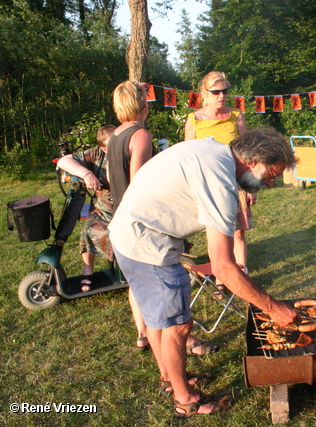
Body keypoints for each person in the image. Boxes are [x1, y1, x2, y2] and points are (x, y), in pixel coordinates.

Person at [108, 128, 300, 417]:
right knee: (178, 326)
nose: (272, 183)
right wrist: (273, 309)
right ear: (254, 160)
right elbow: (223, 265)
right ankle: (186, 400)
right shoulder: (220, 183)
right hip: (146, 245)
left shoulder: (215, 150)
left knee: (160, 322)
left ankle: (171, 380)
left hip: (129, 234)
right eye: (273, 173)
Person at [108, 81, 216, 356]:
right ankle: (183, 339)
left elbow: (113, 178)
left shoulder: (115, 135)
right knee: (162, 282)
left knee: (139, 283)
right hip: (143, 220)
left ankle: (143, 334)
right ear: (141, 103)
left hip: (120, 213)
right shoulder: (139, 134)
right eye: (145, 97)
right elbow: (141, 180)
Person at [184, 71, 252, 268]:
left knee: (238, 232)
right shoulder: (194, 119)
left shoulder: (236, 116)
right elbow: (188, 156)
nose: (221, 96)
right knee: (216, 233)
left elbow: (246, 154)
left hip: (234, 181)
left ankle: (242, 274)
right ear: (205, 93)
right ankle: (221, 275)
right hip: (207, 184)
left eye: (225, 91)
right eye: (216, 92)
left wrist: (249, 186)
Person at [57, 125, 115, 292]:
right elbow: (63, 161)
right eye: (113, 144)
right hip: (104, 209)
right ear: (103, 148)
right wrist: (86, 174)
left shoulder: (129, 152)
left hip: (127, 209)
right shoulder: (96, 154)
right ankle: (87, 271)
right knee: (88, 229)